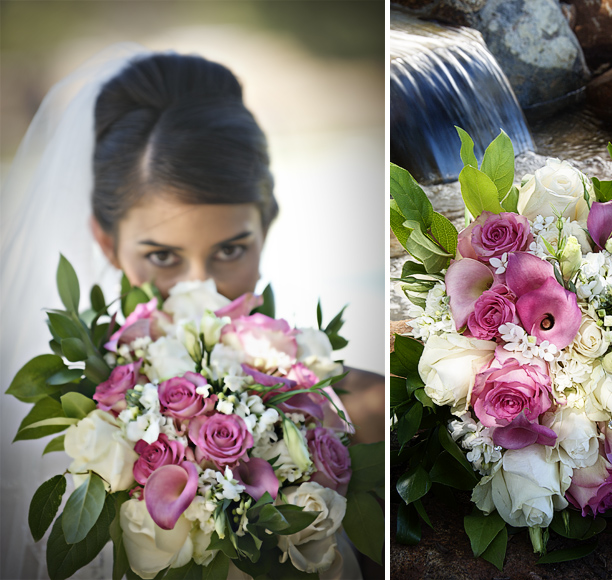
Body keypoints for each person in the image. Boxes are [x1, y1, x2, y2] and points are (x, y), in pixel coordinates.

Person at [1, 44, 382, 579]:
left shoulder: (364, 410)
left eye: (230, 249)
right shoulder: (68, 438)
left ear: (266, 226)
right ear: (107, 244)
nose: (200, 288)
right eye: (161, 256)